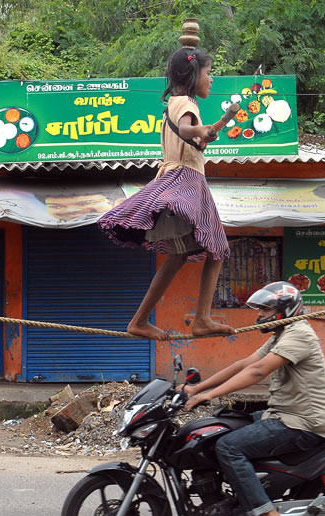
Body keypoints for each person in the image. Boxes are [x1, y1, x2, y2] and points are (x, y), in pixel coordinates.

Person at [182, 281, 325, 516]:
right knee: (222, 424)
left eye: (265, 310)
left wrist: (209, 395)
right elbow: (245, 364)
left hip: (303, 422)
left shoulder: (298, 334)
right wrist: (198, 388)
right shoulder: (280, 334)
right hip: (283, 414)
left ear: (284, 310)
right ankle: (250, 493)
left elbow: (258, 372)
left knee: (228, 447)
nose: (259, 316)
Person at [97, 47, 235, 341]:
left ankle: (140, 320)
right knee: (218, 247)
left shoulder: (175, 102)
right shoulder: (186, 102)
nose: (211, 80)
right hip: (186, 179)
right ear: (194, 74)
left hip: (177, 176)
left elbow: (193, 137)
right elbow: (187, 130)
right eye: (209, 73)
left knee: (179, 254)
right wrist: (201, 130)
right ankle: (202, 319)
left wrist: (213, 128)